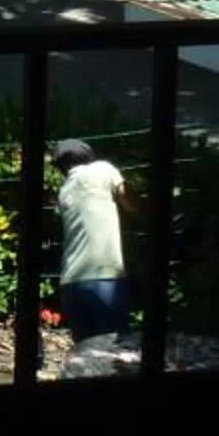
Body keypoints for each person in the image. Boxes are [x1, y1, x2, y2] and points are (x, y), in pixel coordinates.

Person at [51, 138, 133, 342]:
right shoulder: (103, 169)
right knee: (116, 352)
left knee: (88, 353)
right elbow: (131, 204)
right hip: (104, 278)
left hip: (70, 284)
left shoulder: (64, 192)